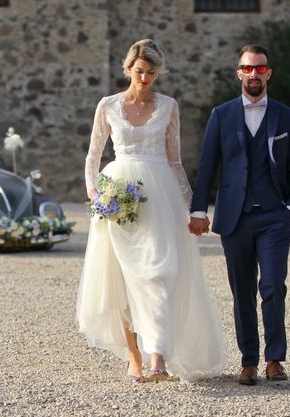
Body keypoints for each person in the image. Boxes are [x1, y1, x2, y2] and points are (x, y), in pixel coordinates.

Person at [76, 39, 225, 383]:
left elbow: (174, 161)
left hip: (161, 196)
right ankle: (134, 358)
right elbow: (93, 156)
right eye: (140, 71)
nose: (145, 78)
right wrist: (95, 194)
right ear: (128, 69)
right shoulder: (108, 105)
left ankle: (158, 356)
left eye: (152, 73)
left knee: (160, 273)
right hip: (118, 195)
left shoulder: (169, 106)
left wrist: (194, 208)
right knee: (123, 277)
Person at [189, 44, 290, 385]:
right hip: (234, 218)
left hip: (274, 216)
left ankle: (274, 360)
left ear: (269, 73)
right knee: (242, 291)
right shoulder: (221, 115)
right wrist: (198, 210)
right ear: (238, 72)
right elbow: (208, 166)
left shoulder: (286, 116)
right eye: (248, 68)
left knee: (272, 286)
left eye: (260, 68)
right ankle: (249, 362)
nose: (254, 74)